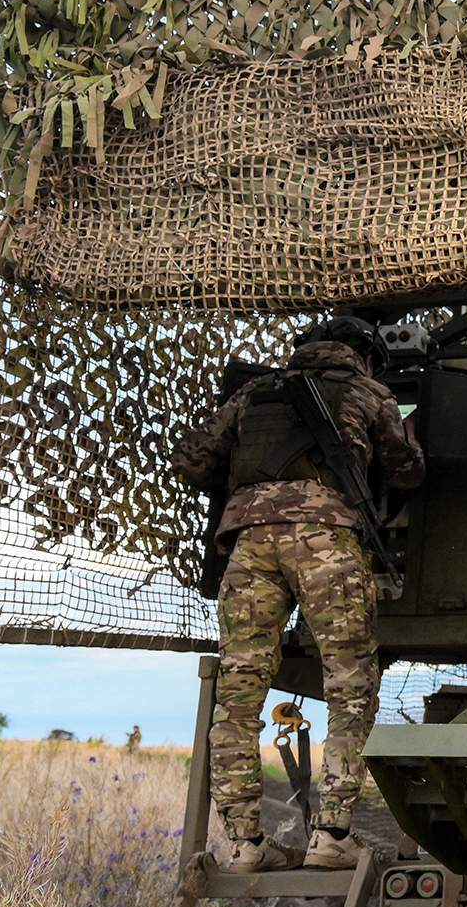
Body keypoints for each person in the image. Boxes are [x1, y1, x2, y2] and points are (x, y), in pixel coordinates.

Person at [171, 316, 424, 872]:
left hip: (248, 546)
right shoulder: (368, 391)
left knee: (238, 695)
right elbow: (408, 470)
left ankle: (244, 845)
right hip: (326, 541)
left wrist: (250, 480)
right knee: (350, 686)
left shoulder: (252, 393)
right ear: (366, 356)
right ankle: (331, 836)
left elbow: (190, 461)